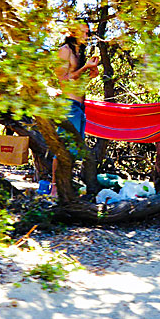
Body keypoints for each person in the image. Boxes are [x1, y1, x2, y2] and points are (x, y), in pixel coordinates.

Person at [50, 21, 100, 199]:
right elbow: (64, 80)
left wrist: (91, 73)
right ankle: (55, 187)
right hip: (68, 105)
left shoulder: (80, 53)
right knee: (63, 147)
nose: (87, 36)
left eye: (88, 33)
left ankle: (66, 186)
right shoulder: (65, 50)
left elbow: (79, 82)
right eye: (83, 33)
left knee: (73, 150)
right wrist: (85, 68)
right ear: (72, 33)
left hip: (80, 106)